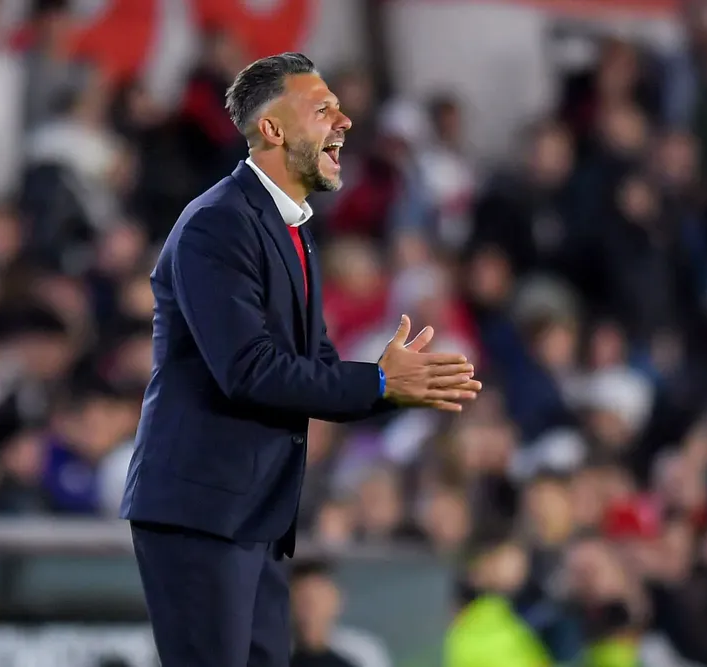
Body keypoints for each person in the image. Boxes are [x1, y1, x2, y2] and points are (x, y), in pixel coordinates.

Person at [119, 52, 482, 667]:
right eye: (323, 109)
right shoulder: (218, 224)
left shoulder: (294, 229)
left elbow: (312, 370)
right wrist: (377, 380)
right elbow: (250, 371)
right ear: (272, 129)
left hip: (255, 515)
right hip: (202, 514)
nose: (344, 122)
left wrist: (387, 387)